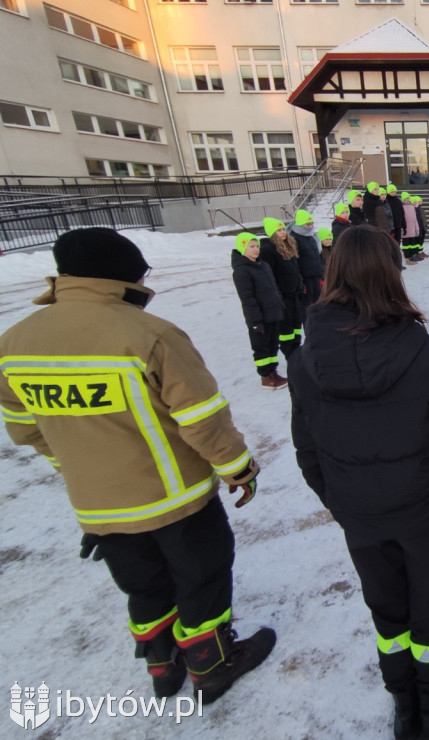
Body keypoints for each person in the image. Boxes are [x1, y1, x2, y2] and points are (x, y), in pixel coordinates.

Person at [0, 227, 276, 703]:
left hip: (98, 506)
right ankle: (211, 664)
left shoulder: (14, 343)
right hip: (175, 498)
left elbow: (25, 429)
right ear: (122, 275)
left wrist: (78, 469)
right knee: (201, 578)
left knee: (143, 586)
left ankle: (161, 666)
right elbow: (201, 420)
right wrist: (238, 468)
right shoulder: (150, 335)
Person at [289, 225, 429, 740]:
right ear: (393, 275)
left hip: (360, 517)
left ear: (333, 275)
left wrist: (342, 501)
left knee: (385, 605)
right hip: (425, 515)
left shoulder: (303, 361)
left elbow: (308, 451)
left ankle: (404, 698)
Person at [231, 232, 288, 390]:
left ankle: (273, 372)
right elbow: (247, 299)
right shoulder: (242, 271)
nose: (256, 250)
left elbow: (273, 288)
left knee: (272, 344)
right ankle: (265, 376)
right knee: (261, 347)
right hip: (259, 318)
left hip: (273, 313)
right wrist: (255, 321)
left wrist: (280, 305)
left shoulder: (263, 265)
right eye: (252, 247)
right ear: (243, 248)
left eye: (257, 246)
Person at [259, 217, 303, 355]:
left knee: (296, 327)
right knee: (286, 331)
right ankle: (290, 354)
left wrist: (300, 285)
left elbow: (295, 270)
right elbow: (269, 277)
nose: (283, 232)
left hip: (294, 294)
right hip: (283, 298)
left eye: (283, 229)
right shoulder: (268, 251)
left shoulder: (288, 247)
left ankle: (297, 351)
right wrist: (278, 296)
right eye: (278, 230)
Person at [289, 209, 323, 304]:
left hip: (315, 274)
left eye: (311, 224)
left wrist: (321, 273)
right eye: (307, 224)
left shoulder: (311, 236)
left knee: (318, 299)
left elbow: (317, 256)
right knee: (308, 301)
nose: (310, 227)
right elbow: (295, 260)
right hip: (305, 277)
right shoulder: (294, 238)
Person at [401, 192, 422, 266]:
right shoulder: (401, 207)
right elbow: (401, 218)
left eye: (408, 198)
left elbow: (415, 218)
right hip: (406, 229)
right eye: (406, 198)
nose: (408, 199)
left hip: (412, 228)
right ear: (403, 199)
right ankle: (407, 258)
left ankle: (412, 256)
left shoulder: (411, 206)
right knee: (406, 245)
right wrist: (402, 228)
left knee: (412, 244)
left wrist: (417, 228)